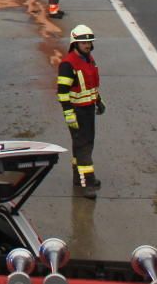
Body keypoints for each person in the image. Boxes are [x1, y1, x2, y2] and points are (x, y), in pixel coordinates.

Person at [58, 24, 104, 198]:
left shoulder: (89, 59)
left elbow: (91, 84)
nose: (88, 46)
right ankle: (87, 183)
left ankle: (78, 178)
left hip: (88, 109)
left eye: (89, 43)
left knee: (83, 144)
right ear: (74, 43)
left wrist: (98, 101)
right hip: (77, 111)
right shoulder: (68, 64)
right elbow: (62, 93)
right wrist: (69, 113)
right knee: (84, 146)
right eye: (84, 43)